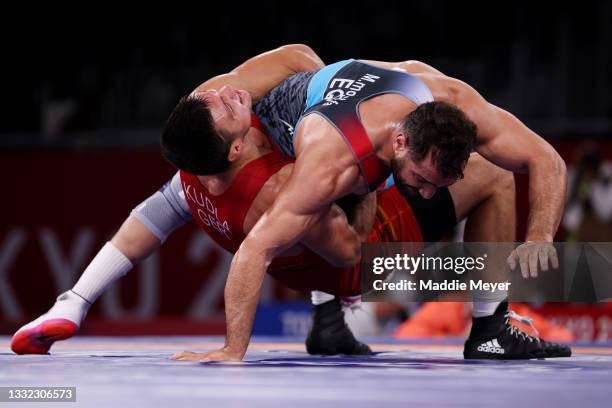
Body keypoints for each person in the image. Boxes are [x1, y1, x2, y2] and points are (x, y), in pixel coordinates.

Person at [161, 54, 570, 361]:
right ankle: (490, 330)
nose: (428, 194)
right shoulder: (332, 160)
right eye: (423, 180)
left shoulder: (451, 96)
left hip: (316, 110)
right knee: (495, 179)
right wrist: (233, 350)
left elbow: (546, 158)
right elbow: (256, 248)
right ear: (400, 142)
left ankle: (328, 322)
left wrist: (540, 235)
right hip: (317, 160)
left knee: (491, 167)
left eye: (440, 184)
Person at [10, 45, 371, 357]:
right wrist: (354, 163)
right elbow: (348, 253)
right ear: (236, 149)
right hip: (345, 265)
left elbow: (156, 214)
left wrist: (79, 297)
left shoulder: (201, 140)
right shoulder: (275, 188)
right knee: (420, 268)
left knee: (167, 202)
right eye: (228, 107)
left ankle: (72, 302)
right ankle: (332, 312)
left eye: (220, 97)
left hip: (265, 227)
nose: (229, 91)